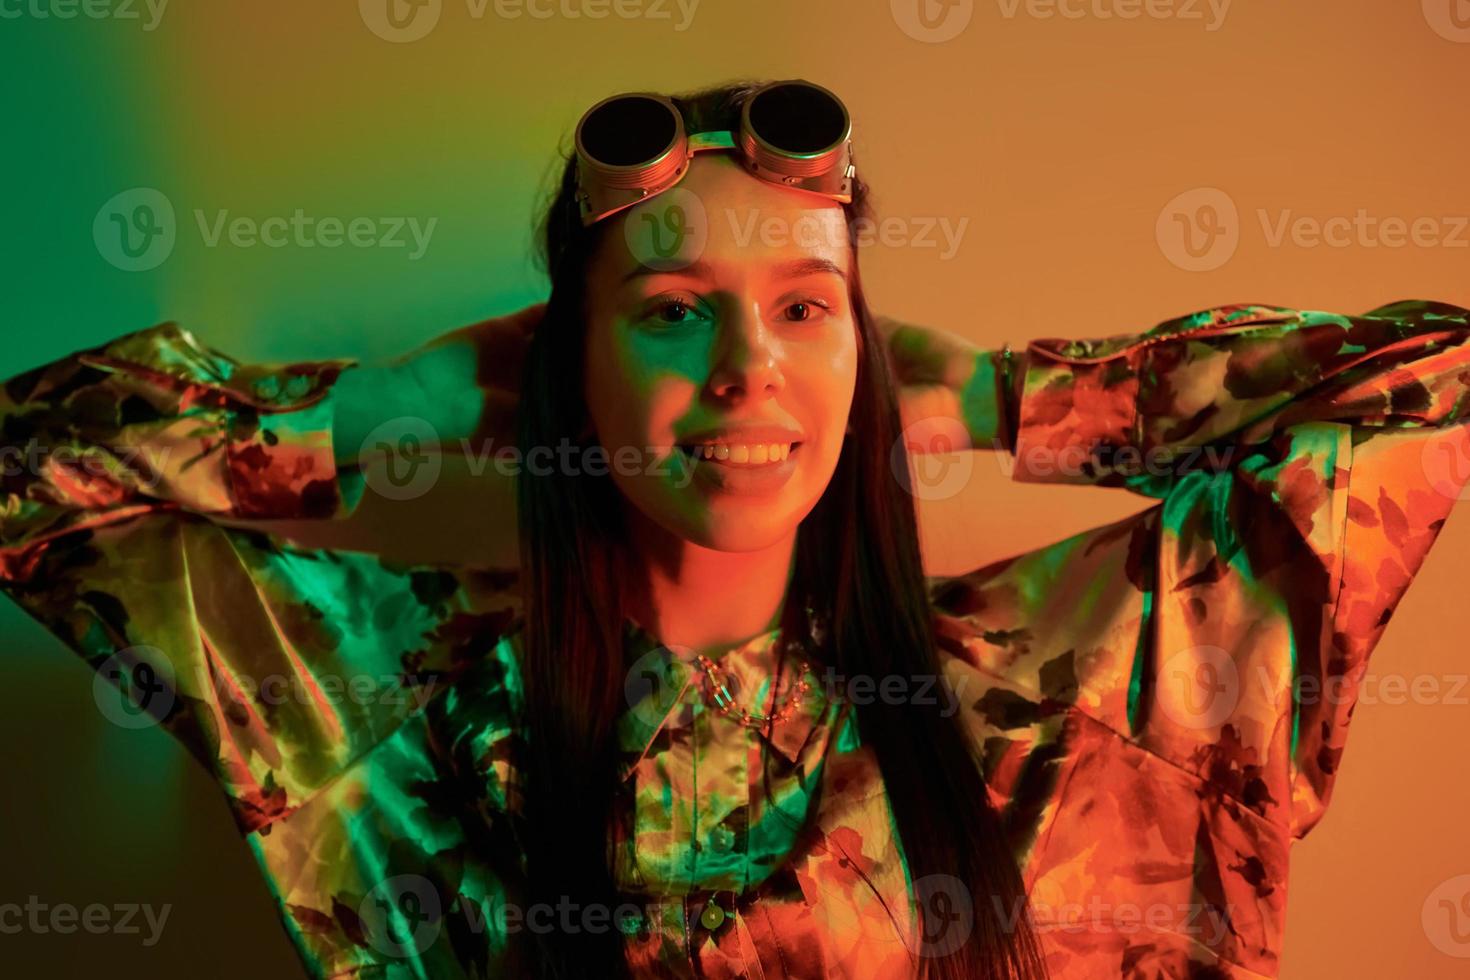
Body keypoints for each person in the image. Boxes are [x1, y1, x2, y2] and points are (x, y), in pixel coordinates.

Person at [2, 78, 1468, 980]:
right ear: (562, 360)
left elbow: (1439, 390)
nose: (747, 368)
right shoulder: (398, 702)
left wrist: (1019, 399)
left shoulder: (1069, 691)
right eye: (670, 312)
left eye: (802, 308)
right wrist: (382, 409)